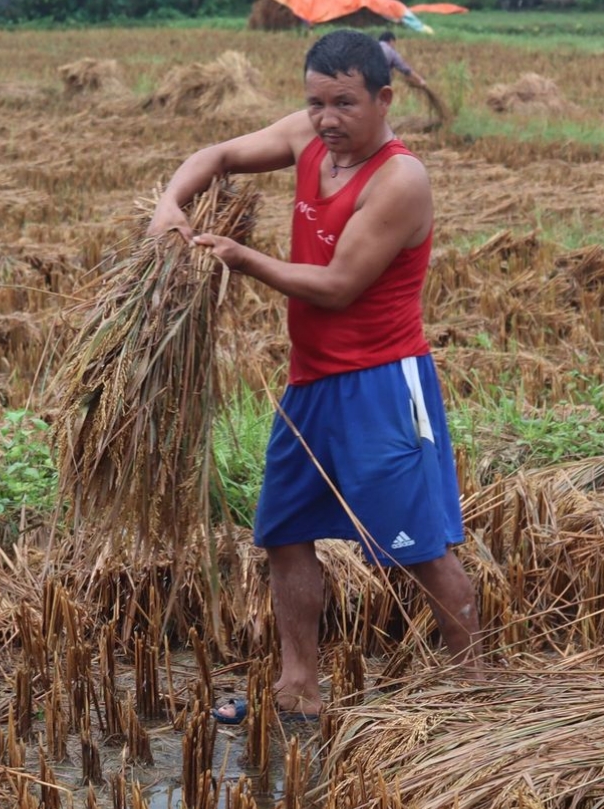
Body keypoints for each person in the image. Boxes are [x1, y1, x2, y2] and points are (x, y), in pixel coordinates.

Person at [151, 29, 480, 724]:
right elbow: (217, 156)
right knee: (284, 533)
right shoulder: (309, 138)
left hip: (381, 385)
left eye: (345, 104)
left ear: (384, 99)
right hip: (310, 385)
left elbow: (336, 287)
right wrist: (170, 205)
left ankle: (473, 687)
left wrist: (243, 258)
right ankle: (298, 685)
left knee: (417, 546)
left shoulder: (399, 180)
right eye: (316, 103)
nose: (327, 119)